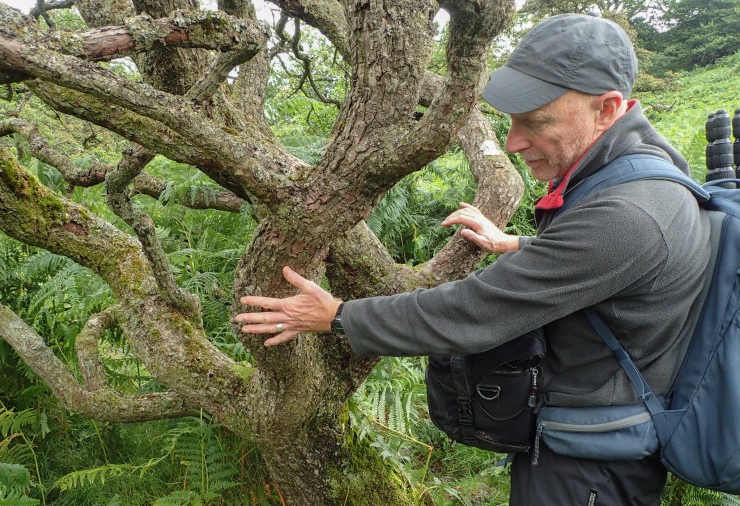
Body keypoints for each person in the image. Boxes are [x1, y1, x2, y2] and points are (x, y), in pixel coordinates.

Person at [236, 13, 711, 506]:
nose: (512, 142)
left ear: (607, 108)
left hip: (592, 465)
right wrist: (520, 245)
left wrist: (338, 315)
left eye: (537, 122)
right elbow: (619, 270)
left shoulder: (628, 215)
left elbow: (475, 310)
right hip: (598, 436)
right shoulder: (646, 169)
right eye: (510, 120)